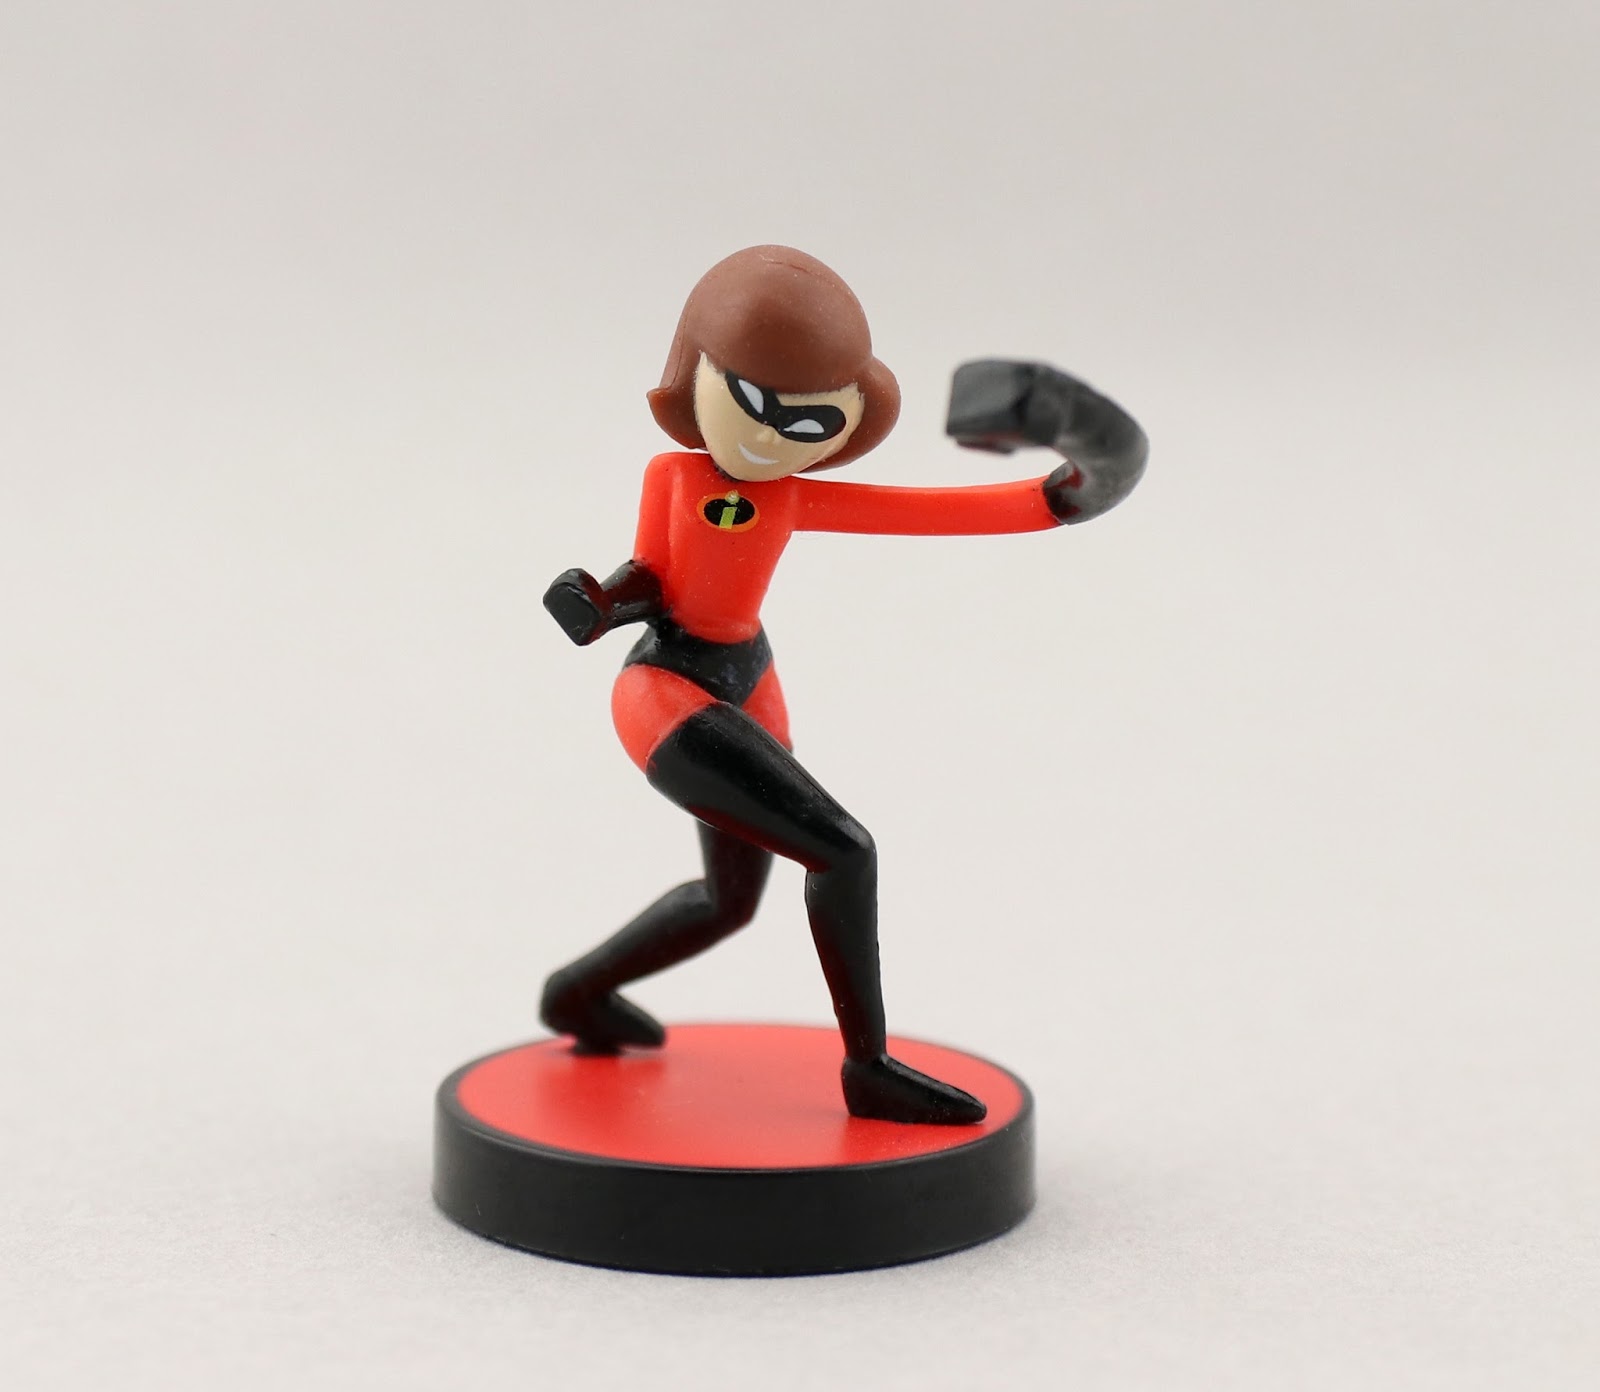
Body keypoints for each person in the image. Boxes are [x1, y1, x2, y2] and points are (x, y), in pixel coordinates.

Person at [540, 245, 1146, 1124]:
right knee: (843, 852)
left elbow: (957, 513)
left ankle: (576, 994)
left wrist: (1085, 474)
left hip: (751, 680)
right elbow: (651, 575)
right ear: (692, 376)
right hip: (665, 689)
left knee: (728, 901)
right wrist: (600, 606)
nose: (767, 437)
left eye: (809, 421)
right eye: (749, 402)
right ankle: (868, 1067)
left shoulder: (793, 497)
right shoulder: (673, 476)